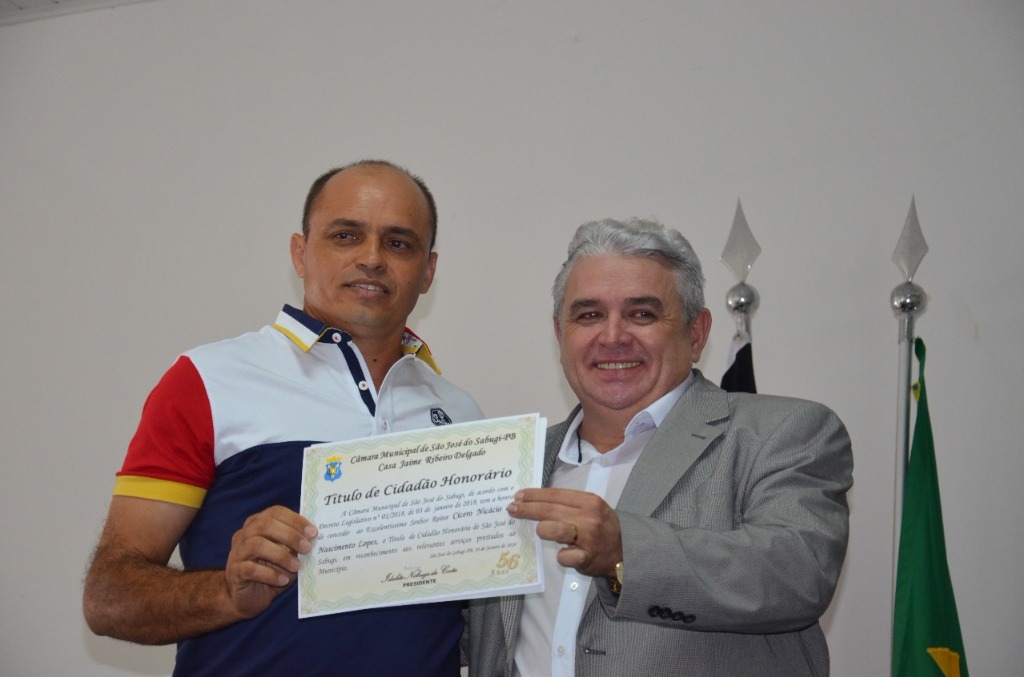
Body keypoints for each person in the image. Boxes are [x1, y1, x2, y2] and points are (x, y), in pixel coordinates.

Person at [83, 160, 484, 676]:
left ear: (427, 271)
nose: (371, 258)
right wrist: (227, 593)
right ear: (300, 253)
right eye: (345, 235)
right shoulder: (207, 380)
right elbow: (109, 596)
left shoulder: (463, 415)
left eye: (399, 243)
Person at [468, 218, 853, 677]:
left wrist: (624, 551)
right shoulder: (509, 463)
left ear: (697, 333)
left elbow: (796, 573)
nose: (612, 336)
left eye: (642, 314)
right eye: (589, 315)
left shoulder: (783, 433)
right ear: (560, 333)